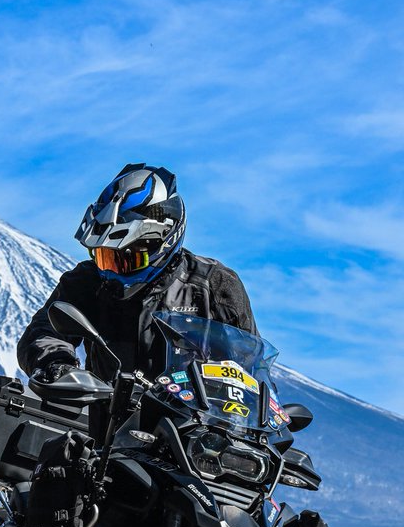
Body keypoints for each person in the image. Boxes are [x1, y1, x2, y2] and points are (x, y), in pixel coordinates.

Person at [17, 163, 257, 387]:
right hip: (104, 420)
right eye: (103, 257)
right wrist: (57, 364)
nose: (111, 271)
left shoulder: (214, 285)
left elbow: (249, 366)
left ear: (161, 243)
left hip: (193, 425)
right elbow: (44, 332)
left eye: (127, 259)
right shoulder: (88, 280)